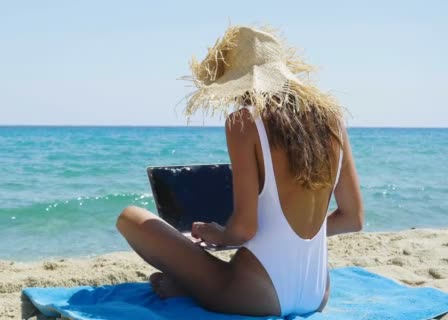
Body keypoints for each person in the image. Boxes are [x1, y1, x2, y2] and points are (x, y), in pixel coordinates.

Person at [116, 25, 364, 317]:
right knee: (230, 265)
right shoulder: (333, 119)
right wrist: (289, 234)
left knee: (130, 218)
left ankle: (190, 288)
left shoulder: (245, 122)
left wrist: (218, 234)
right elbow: (353, 218)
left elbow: (244, 229)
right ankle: (189, 287)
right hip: (317, 293)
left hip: (256, 295)